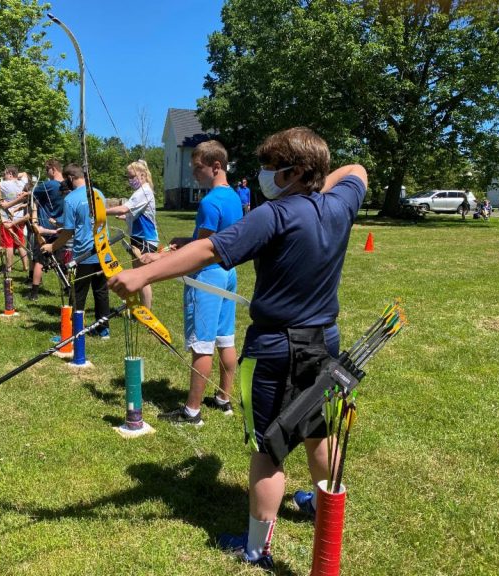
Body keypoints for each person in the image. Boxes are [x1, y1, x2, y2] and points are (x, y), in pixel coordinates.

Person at [107, 127, 367, 568]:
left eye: (273, 169)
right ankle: (325, 508)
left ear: (297, 171)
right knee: (318, 431)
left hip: (275, 347)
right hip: (325, 341)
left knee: (268, 450)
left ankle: (255, 548)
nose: (265, 177)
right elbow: (356, 170)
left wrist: (143, 276)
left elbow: (210, 249)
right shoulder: (340, 204)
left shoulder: (276, 215)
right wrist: (318, 180)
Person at [142, 140, 242, 426]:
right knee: (226, 338)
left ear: (216, 166)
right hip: (227, 272)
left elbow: (201, 251)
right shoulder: (233, 197)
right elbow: (209, 239)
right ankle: (224, 399)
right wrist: (185, 241)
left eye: (198, 169)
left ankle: (192, 411)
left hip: (207, 277)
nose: (194, 175)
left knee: (203, 344)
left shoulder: (210, 202)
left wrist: (158, 261)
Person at [41, 164, 111, 339]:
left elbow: (68, 232)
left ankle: (71, 331)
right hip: (103, 250)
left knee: (77, 293)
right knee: (101, 291)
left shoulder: (70, 199)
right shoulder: (98, 193)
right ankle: (103, 329)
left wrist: (52, 246)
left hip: (83, 253)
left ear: (70, 178)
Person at [104, 159, 160, 308]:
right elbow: (136, 213)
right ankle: (142, 308)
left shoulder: (144, 191)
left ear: (142, 175)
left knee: (143, 277)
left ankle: (146, 311)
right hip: (138, 238)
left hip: (146, 240)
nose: (130, 180)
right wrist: (126, 217)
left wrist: (102, 212)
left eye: (132, 177)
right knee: (138, 275)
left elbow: (124, 208)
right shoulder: (141, 191)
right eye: (128, 177)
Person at [28, 159, 66, 299]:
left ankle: (34, 293)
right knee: (61, 260)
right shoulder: (67, 185)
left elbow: (31, 193)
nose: (46, 172)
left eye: (46, 169)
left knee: (39, 259)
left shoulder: (49, 185)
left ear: (53, 169)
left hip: (46, 228)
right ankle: (67, 287)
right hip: (61, 227)